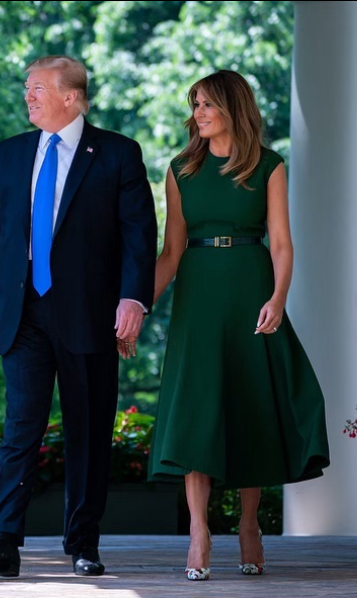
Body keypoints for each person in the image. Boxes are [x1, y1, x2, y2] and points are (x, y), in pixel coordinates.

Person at [133, 70, 330, 581]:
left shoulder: (267, 165)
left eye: (207, 105)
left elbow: (282, 243)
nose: (197, 113)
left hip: (250, 287)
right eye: (194, 104)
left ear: (231, 109)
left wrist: (278, 298)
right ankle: (199, 530)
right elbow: (171, 252)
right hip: (199, 297)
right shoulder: (180, 169)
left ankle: (248, 525)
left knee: (249, 408)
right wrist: (137, 307)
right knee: (197, 411)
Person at [0, 55, 157, 578]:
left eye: (37, 88)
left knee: (88, 432)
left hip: (91, 313)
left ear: (71, 96)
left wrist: (133, 299)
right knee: (21, 427)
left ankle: (83, 543)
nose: (28, 96)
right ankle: (2, 537)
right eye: (27, 88)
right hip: (22, 311)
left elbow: (139, 235)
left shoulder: (118, 153)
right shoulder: (7, 155)